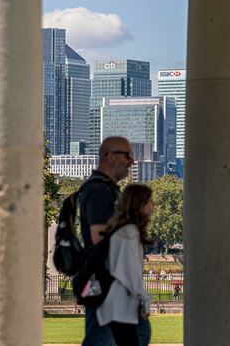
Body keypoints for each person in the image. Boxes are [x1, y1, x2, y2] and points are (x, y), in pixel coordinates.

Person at [78, 137, 142, 346]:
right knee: (103, 340)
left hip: (112, 282)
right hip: (106, 283)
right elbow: (99, 235)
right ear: (110, 156)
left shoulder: (109, 189)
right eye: (127, 155)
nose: (131, 161)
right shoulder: (99, 190)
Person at [96, 184, 154, 346]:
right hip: (122, 305)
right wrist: (145, 298)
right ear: (139, 204)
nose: (153, 205)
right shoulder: (130, 232)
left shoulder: (122, 229)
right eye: (150, 201)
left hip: (118, 305)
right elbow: (130, 272)